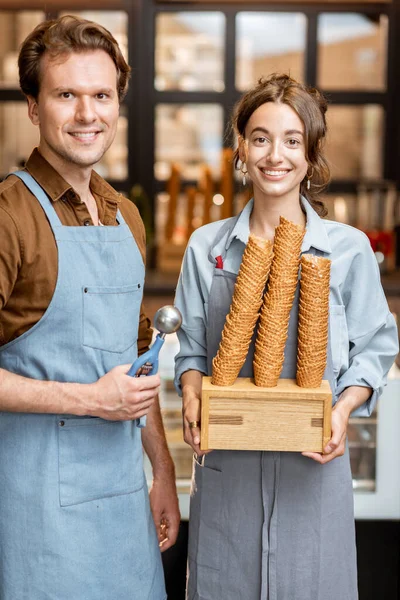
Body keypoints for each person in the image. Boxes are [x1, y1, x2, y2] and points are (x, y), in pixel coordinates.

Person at [174, 74, 399, 600]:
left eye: (292, 140)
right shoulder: (208, 248)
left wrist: (341, 411)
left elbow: (375, 349)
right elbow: (190, 351)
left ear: (311, 153)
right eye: (260, 137)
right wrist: (190, 391)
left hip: (313, 473)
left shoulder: (347, 250)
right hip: (228, 470)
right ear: (241, 150)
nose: (276, 155)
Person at [0, 15, 180, 600]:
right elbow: (104, 392)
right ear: (33, 106)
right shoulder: (10, 216)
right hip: (39, 523)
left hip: (124, 511)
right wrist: (89, 400)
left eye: (101, 95)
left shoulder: (125, 216)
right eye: (67, 95)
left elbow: (135, 356)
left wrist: (163, 470)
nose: (87, 114)